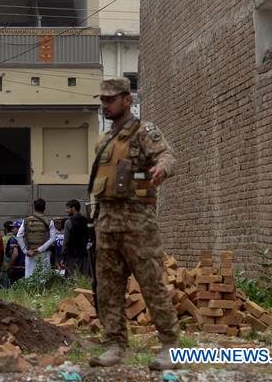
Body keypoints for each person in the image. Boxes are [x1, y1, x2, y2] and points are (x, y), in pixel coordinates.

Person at [88, 77, 179, 371]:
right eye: (102, 100)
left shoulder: (143, 131)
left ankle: (170, 347)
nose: (105, 105)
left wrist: (161, 169)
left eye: (110, 99)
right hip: (107, 223)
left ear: (127, 100)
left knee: (152, 285)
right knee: (108, 289)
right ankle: (114, 345)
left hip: (138, 223)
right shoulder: (105, 140)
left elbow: (167, 155)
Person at [16, 198, 54, 279]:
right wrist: (39, 249)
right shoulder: (49, 221)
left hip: (30, 255)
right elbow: (52, 238)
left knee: (30, 278)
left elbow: (19, 236)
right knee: (44, 279)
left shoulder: (26, 220)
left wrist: (25, 251)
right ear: (44, 208)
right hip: (44, 254)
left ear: (34, 207)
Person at [63, 200, 91, 278]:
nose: (66, 210)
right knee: (84, 278)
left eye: (68, 208)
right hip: (85, 255)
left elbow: (66, 241)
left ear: (74, 209)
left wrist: (63, 256)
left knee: (72, 278)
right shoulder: (87, 221)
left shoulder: (68, 222)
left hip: (72, 256)